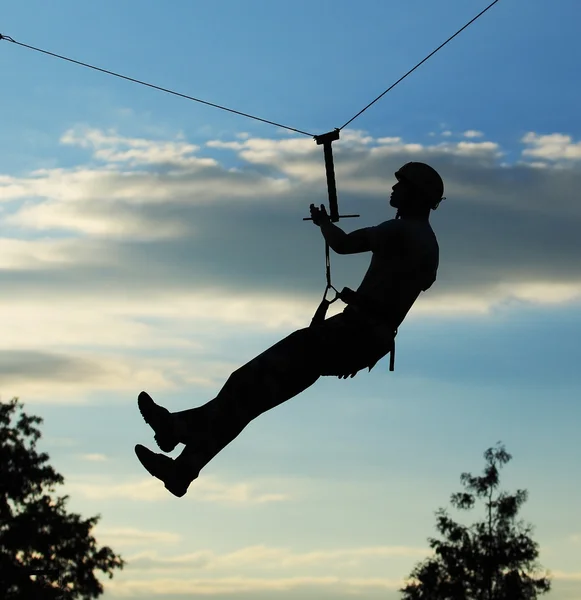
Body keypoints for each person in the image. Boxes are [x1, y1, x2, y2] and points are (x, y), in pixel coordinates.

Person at [135, 161, 444, 497]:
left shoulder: (400, 231)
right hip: (363, 339)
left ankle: (176, 431)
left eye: (401, 185)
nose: (394, 189)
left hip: (351, 333)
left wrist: (323, 223)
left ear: (415, 194)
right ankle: (181, 464)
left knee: (246, 385)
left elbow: (342, 244)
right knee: (251, 397)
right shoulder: (428, 244)